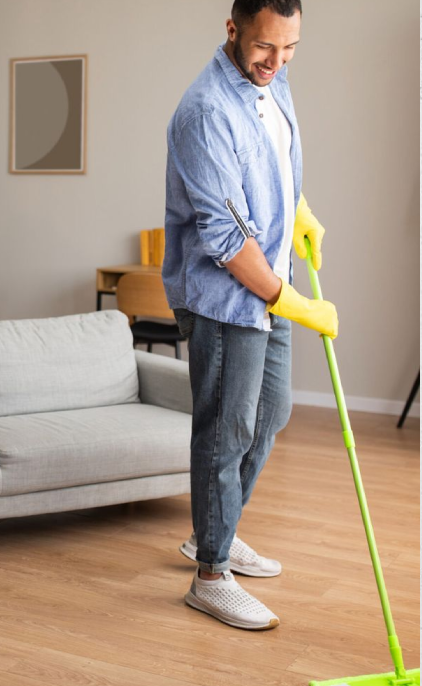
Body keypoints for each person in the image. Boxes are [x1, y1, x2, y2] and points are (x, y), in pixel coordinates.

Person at [163, 0, 338, 630]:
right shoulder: (205, 112)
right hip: (226, 297)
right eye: (266, 46)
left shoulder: (273, 80)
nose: (277, 61)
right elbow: (225, 236)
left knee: (271, 415)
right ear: (232, 29)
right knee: (226, 431)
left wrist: (299, 210)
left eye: (290, 48)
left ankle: (215, 528)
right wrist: (293, 301)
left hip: (270, 280)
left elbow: (274, 163)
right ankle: (211, 576)